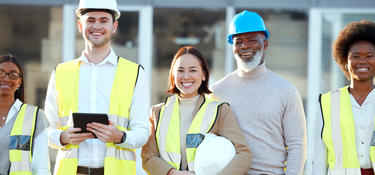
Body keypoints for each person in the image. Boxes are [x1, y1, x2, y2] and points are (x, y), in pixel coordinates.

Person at [44, 0, 149, 174]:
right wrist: (62, 137)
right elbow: (46, 130)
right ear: (80, 25)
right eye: (90, 20)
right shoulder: (61, 72)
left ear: (114, 26)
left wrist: (120, 136)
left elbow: (143, 132)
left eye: (103, 20)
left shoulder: (135, 73)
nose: (97, 26)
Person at [211, 10, 307, 175]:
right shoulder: (217, 91)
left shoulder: (286, 91)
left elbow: (297, 145)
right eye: (238, 41)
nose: (245, 46)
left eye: (252, 40)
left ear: (265, 44)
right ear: (232, 48)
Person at [141, 46, 252, 175]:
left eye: (193, 70)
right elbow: (148, 157)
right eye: (180, 70)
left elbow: (244, 154)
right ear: (173, 74)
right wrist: (172, 173)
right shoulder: (158, 112)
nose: (186, 76)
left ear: (204, 75)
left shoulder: (219, 111)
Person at [310, 20, 375, 175]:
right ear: (346, 61)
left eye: (370, 55)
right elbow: (319, 156)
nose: (362, 61)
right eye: (356, 56)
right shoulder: (326, 103)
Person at [0, 54, 50, 175]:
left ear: (19, 82)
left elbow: (41, 167)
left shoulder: (35, 117)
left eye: (13, 75)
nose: (6, 78)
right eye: (1, 73)